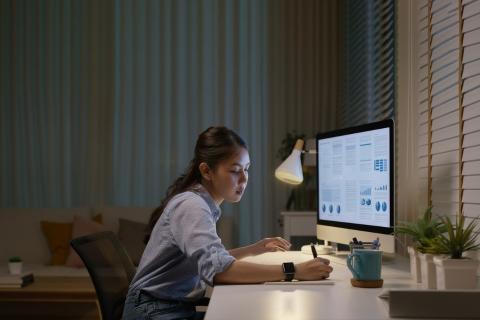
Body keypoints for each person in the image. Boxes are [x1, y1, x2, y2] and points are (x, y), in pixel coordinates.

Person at [123, 126, 333, 320]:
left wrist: (256, 248)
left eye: (247, 169)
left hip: (166, 306)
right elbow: (219, 272)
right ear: (206, 171)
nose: (244, 179)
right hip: (152, 311)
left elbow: (212, 261)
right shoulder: (193, 206)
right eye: (235, 170)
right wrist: (293, 270)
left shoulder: (200, 203)